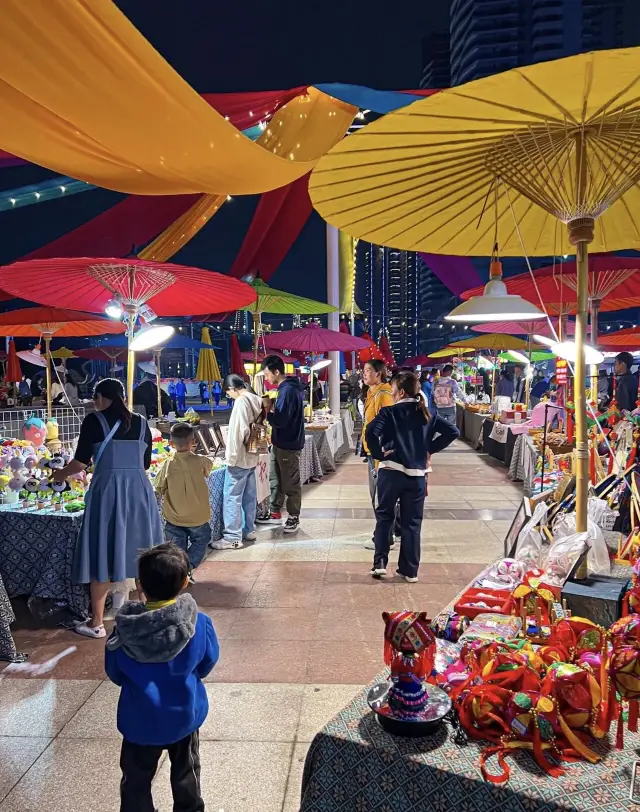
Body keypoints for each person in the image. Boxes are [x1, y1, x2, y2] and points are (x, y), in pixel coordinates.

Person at [105, 542, 219, 812]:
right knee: (186, 773)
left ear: (140, 584)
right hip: (183, 715)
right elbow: (207, 661)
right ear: (184, 583)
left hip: (139, 720)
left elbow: (115, 672)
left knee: (136, 779)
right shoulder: (199, 624)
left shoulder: (123, 631)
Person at [53, 378, 161, 638]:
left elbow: (80, 462)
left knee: (102, 550)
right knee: (143, 550)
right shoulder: (142, 422)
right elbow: (145, 463)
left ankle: (97, 624)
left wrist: (60, 476)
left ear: (102, 397)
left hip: (107, 492)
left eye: (95, 397)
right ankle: (151, 614)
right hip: (138, 490)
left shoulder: (93, 420)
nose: (94, 402)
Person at [366, 371, 459, 582]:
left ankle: (380, 563)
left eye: (393, 390)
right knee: (412, 523)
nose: (391, 394)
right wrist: (429, 449)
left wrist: (379, 454)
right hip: (416, 476)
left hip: (390, 472)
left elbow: (371, 432)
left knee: (385, 518)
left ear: (401, 392)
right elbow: (453, 431)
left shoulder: (388, 413)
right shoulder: (428, 415)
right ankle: (409, 570)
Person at [154, 423, 214, 577]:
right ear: (192, 441)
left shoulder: (168, 464)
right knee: (202, 540)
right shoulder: (201, 461)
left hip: (174, 517)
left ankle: (179, 572)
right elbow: (209, 467)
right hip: (198, 517)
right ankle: (188, 566)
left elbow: (158, 486)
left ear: (171, 443)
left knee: (175, 549)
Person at [256, 354, 305, 534]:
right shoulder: (286, 389)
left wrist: (268, 411)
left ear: (277, 372)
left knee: (290, 482)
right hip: (281, 442)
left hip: (288, 444)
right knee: (276, 479)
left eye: (268, 374)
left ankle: (293, 516)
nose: (267, 378)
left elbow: (282, 419)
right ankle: (275, 512)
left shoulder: (288, 390)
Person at [220, 373, 263, 547]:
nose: (228, 396)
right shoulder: (257, 399)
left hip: (239, 457)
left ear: (232, 388)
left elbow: (238, 432)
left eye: (227, 393)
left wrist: (230, 458)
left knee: (232, 497)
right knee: (249, 496)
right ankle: (249, 529)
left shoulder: (241, 401)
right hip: (253, 454)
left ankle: (232, 537)